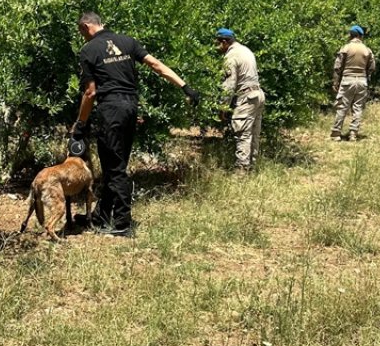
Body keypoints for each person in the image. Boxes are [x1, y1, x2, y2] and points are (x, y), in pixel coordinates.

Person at [71, 12, 199, 236]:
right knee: (116, 162)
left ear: (85, 27)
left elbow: (90, 92)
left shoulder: (88, 50)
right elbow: (155, 64)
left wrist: (80, 124)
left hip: (111, 109)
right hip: (130, 107)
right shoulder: (126, 41)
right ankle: (101, 217)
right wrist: (185, 86)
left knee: (115, 167)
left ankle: (122, 224)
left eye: (81, 33)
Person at [216, 28, 265, 169]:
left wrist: (223, 107)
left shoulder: (231, 56)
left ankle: (241, 172)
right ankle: (252, 166)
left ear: (224, 42)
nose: (217, 47)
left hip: (246, 97)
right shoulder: (246, 50)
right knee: (253, 134)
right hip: (258, 95)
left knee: (243, 134)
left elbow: (229, 85)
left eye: (218, 43)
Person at [331, 25, 377, 141]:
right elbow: (372, 67)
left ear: (351, 35)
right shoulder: (367, 50)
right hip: (362, 81)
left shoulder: (345, 48)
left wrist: (335, 82)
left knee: (342, 106)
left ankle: (336, 133)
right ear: (360, 36)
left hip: (347, 80)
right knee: (358, 108)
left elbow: (337, 67)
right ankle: (353, 134)